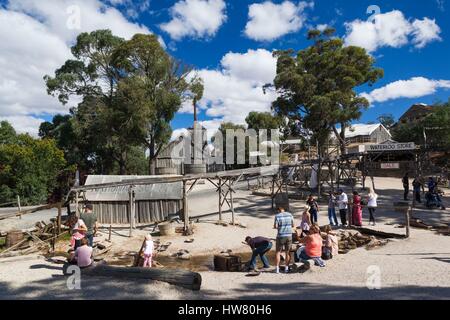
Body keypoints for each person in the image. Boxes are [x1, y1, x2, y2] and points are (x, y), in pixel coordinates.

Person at [273, 206, 294, 274]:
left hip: (281, 235)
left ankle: (277, 269)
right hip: (289, 235)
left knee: (278, 252)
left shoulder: (277, 216)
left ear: (279, 210)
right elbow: (293, 225)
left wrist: (277, 227)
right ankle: (286, 268)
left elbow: (275, 226)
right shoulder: (290, 215)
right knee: (287, 252)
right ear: (284, 209)